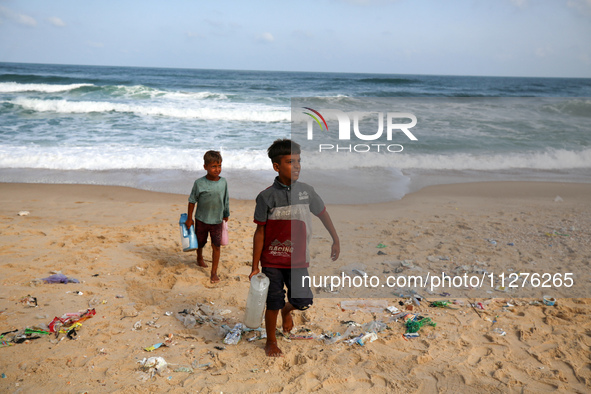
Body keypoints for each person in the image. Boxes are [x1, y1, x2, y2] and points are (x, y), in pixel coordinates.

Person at [249, 139, 340, 357]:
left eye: (299, 161)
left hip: (298, 259)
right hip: (271, 260)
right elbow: (259, 232)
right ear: (277, 166)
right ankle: (270, 341)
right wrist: (254, 266)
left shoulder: (307, 192)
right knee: (272, 301)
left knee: (303, 300)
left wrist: (335, 239)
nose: (297, 166)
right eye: (291, 162)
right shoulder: (266, 196)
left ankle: (286, 310)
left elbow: (323, 214)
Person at [186, 150, 229, 283]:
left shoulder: (223, 182)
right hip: (201, 219)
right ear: (205, 167)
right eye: (213, 166)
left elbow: (225, 199)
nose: (217, 169)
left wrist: (226, 214)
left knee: (216, 245)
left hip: (216, 220)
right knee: (200, 242)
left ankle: (213, 272)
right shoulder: (199, 183)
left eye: (219, 166)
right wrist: (189, 218)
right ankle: (199, 257)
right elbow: (192, 200)